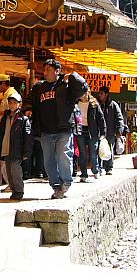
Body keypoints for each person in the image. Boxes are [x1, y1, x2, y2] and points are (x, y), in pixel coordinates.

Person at [30, 59, 88, 199]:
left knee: (63, 155)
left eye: (48, 70)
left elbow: (83, 88)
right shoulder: (39, 87)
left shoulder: (66, 86)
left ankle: (66, 182)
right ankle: (56, 185)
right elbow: (28, 100)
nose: (45, 73)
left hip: (63, 128)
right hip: (45, 130)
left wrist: (73, 75)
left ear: (57, 71)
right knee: (48, 160)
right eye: (44, 70)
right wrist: (27, 110)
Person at [0, 91, 33, 200]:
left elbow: (28, 137)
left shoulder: (23, 119)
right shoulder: (5, 117)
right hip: (6, 147)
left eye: (14, 102)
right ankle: (14, 191)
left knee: (15, 170)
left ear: (19, 104)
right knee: (8, 171)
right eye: (10, 102)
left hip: (17, 150)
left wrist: (26, 152)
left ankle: (19, 191)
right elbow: (0, 134)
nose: (12, 105)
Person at [76, 91, 106, 182]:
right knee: (83, 154)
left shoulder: (94, 104)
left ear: (87, 93)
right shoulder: (76, 103)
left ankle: (95, 170)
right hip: (80, 131)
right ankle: (84, 174)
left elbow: (101, 118)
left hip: (92, 132)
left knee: (93, 153)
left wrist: (103, 132)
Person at [97, 85, 125, 175]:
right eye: (99, 94)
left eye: (101, 94)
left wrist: (119, 130)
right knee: (99, 149)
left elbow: (119, 118)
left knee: (109, 149)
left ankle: (109, 168)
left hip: (110, 132)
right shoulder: (97, 105)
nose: (100, 95)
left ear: (106, 94)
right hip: (99, 132)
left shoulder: (113, 105)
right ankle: (99, 168)